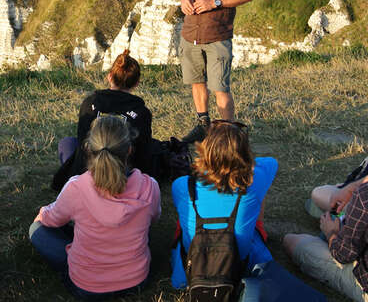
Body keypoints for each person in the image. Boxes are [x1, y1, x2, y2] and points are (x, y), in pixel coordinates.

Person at [30, 116, 161, 300]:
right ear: (129, 150)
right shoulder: (150, 186)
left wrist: (43, 214)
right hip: (137, 280)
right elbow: (154, 219)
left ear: (87, 149)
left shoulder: (76, 187)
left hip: (88, 287)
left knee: (37, 230)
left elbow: (51, 219)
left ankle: (80, 253)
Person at [171, 120, 277, 289]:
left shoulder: (182, 185)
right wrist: (241, 160)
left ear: (205, 150)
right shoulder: (255, 180)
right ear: (244, 153)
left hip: (193, 266)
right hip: (239, 265)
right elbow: (271, 162)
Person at [176, 0, 253, 140]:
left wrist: (215, 2)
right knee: (197, 82)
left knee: (220, 87)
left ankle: (227, 134)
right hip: (191, 33)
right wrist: (183, 0)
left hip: (217, 34)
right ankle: (203, 124)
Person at [52, 49, 152, 191]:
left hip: (88, 173)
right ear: (136, 83)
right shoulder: (142, 113)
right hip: (124, 177)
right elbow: (143, 154)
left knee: (67, 143)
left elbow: (82, 143)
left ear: (109, 77)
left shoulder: (89, 103)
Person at [283, 183, 368, 301]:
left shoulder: (364, 196)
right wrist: (348, 190)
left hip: (362, 278)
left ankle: (324, 232)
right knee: (328, 199)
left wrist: (331, 233)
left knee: (291, 241)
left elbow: (343, 255)